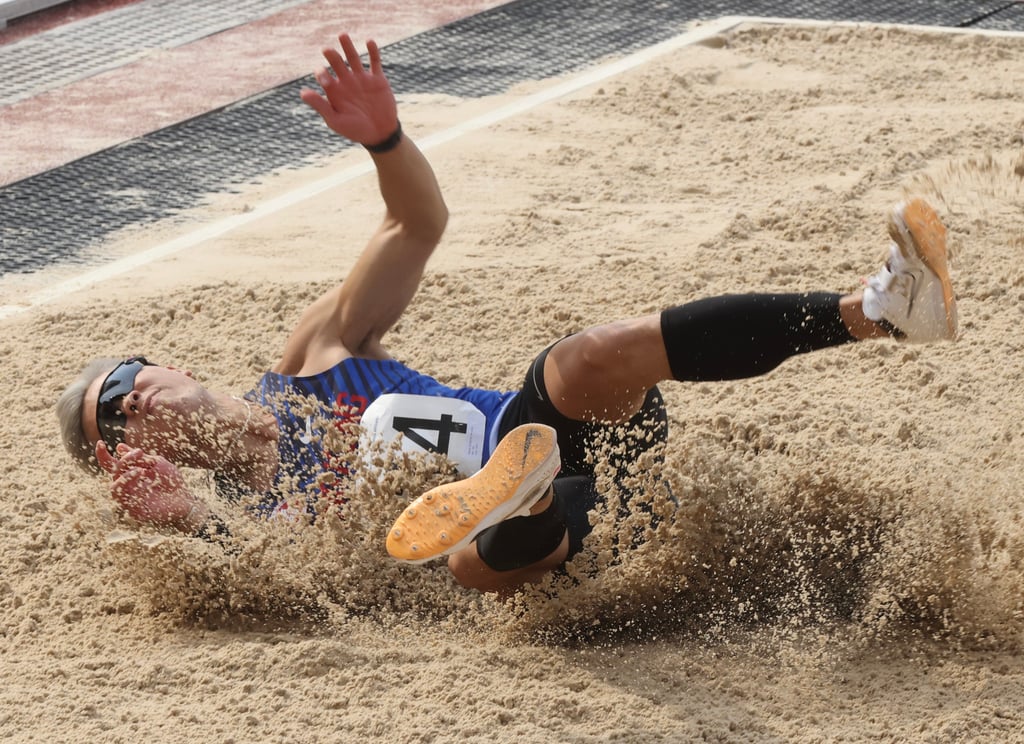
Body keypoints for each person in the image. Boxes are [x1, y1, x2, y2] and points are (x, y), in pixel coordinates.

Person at [56, 32, 958, 596]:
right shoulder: (247, 520)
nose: (131, 405)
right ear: (133, 464)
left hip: (569, 441)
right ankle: (512, 501)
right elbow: (287, 600)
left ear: (164, 364)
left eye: (126, 383)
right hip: (549, 559)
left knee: (584, 359)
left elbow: (418, 223)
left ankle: (878, 311)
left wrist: (384, 139)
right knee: (466, 557)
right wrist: (192, 526)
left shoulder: (311, 357)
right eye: (113, 425)